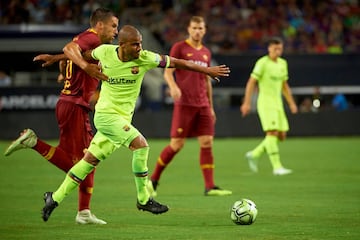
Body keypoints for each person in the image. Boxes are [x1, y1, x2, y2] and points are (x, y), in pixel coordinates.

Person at [41, 25, 230, 222]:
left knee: (89, 162)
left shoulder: (145, 58)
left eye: (140, 43)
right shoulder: (104, 52)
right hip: (105, 116)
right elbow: (80, 54)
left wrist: (206, 70)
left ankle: (53, 198)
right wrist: (55, 59)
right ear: (121, 45)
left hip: (121, 119)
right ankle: (143, 199)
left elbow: (179, 63)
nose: (139, 48)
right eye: (135, 45)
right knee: (141, 145)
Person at [4, 7, 119, 224]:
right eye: (113, 26)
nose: (116, 31)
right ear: (100, 25)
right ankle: (34, 142)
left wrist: (58, 57)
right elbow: (70, 48)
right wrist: (87, 67)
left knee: (89, 158)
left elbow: (70, 52)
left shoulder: (95, 44)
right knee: (84, 162)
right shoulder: (91, 37)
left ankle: (84, 212)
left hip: (71, 105)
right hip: (74, 106)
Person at [147, 16, 232, 197]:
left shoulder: (206, 53)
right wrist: (173, 87)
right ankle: (153, 181)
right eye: (194, 28)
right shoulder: (179, 47)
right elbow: (168, 73)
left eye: (200, 28)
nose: (197, 31)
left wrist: (210, 106)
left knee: (207, 142)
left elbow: (207, 80)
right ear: (188, 29)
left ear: (205, 30)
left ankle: (210, 186)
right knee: (177, 145)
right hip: (184, 104)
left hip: (202, 104)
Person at [240, 37, 298, 176]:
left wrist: (291, 103)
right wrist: (247, 103)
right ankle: (277, 167)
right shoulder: (262, 63)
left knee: (282, 135)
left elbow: (284, 85)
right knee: (271, 133)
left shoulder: (283, 63)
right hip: (266, 103)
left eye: (280, 49)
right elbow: (251, 82)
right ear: (269, 49)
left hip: (278, 103)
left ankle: (254, 154)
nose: (278, 51)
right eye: (275, 49)